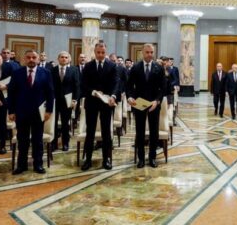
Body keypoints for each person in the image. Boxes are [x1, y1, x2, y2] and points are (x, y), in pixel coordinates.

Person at [7, 50, 54, 174]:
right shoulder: (17, 73)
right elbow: (11, 93)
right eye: (28, 57)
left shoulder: (46, 73)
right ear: (24, 59)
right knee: (22, 140)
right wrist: (11, 111)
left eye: (34, 57)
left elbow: (50, 93)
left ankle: (38, 164)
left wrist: (49, 110)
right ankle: (21, 165)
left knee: (37, 140)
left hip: (39, 113)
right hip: (21, 112)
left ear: (38, 59)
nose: (31, 59)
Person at [80, 42, 120, 171]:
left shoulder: (112, 66)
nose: (101, 55)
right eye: (98, 52)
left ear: (105, 52)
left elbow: (116, 83)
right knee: (90, 132)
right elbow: (83, 84)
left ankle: (106, 159)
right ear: (95, 52)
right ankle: (88, 159)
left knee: (106, 132)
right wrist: (93, 92)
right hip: (92, 102)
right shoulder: (88, 66)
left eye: (103, 52)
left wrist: (113, 96)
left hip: (106, 103)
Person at [126, 44, 166, 168]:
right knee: (140, 132)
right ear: (142, 53)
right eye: (147, 52)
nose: (150, 54)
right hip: (139, 103)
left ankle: (152, 157)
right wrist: (130, 97)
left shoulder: (159, 68)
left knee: (154, 132)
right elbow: (129, 85)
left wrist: (157, 101)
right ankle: (141, 158)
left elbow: (163, 88)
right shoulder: (136, 67)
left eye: (151, 52)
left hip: (154, 104)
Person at [52, 51, 80, 152]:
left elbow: (77, 86)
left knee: (65, 123)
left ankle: (65, 143)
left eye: (66, 57)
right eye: (62, 57)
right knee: (53, 123)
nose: (64, 59)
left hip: (67, 101)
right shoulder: (52, 70)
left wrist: (75, 99)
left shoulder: (74, 70)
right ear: (58, 59)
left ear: (69, 59)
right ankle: (54, 143)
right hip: (55, 101)